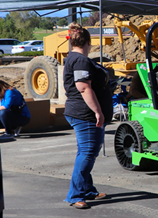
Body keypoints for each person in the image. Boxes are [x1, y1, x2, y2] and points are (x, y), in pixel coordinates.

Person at [62, 23, 112, 209]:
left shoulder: (73, 58)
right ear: (89, 43)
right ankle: (75, 195)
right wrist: (98, 111)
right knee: (87, 153)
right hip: (85, 115)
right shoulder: (81, 60)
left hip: (81, 113)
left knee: (86, 152)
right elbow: (83, 87)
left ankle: (87, 189)